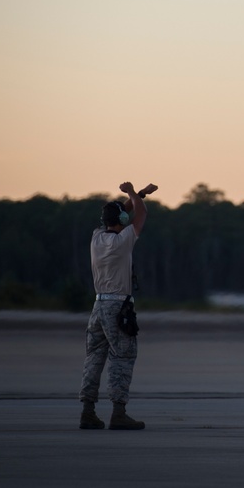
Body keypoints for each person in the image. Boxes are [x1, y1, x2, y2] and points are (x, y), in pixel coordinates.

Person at [78, 181, 157, 430]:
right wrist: (134, 194)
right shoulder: (123, 240)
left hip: (98, 307)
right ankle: (118, 412)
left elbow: (121, 211)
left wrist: (138, 194)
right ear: (122, 219)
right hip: (117, 306)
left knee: (94, 358)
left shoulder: (97, 238)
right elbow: (141, 213)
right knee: (123, 356)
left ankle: (87, 412)